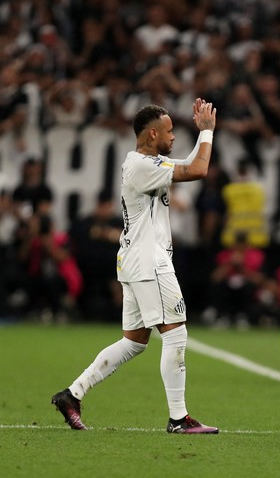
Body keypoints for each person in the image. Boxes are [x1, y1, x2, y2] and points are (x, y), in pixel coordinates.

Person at [51, 99, 219, 434]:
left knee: (135, 341)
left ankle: (72, 394)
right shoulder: (141, 167)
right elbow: (198, 169)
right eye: (169, 132)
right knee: (176, 332)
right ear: (152, 133)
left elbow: (188, 163)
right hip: (148, 259)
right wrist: (208, 133)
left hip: (135, 259)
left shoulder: (149, 162)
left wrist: (201, 136)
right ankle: (178, 419)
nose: (173, 137)